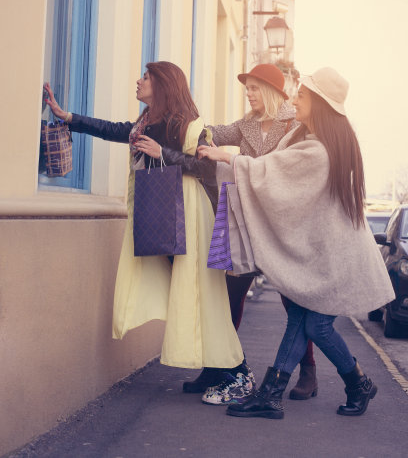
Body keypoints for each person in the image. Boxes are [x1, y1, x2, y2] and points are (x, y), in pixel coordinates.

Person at [198, 67, 395, 419]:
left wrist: (226, 157)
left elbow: (274, 170)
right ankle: (274, 394)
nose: (293, 98)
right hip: (327, 254)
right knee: (301, 322)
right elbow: (276, 166)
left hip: (333, 258)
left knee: (314, 325)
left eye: (302, 95)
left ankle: (357, 383)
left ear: (318, 104)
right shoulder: (310, 139)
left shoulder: (320, 150)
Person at [43, 61, 248, 381]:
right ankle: (211, 370)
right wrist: (68, 117)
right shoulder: (147, 122)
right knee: (188, 292)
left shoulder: (192, 124)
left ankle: (235, 369)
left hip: (189, 216)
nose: (138, 81)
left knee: (201, 292)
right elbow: (112, 129)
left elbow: (208, 169)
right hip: (161, 216)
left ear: (163, 85)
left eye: (146, 77)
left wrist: (161, 153)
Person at [185, 63, 318, 405]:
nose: (249, 92)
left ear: (272, 91)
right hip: (245, 223)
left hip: (280, 225)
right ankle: (218, 367)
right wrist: (187, 126)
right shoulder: (245, 124)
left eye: (255, 87)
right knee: (229, 297)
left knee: (294, 301)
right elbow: (214, 132)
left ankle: (308, 370)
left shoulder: (295, 123)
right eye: (247, 88)